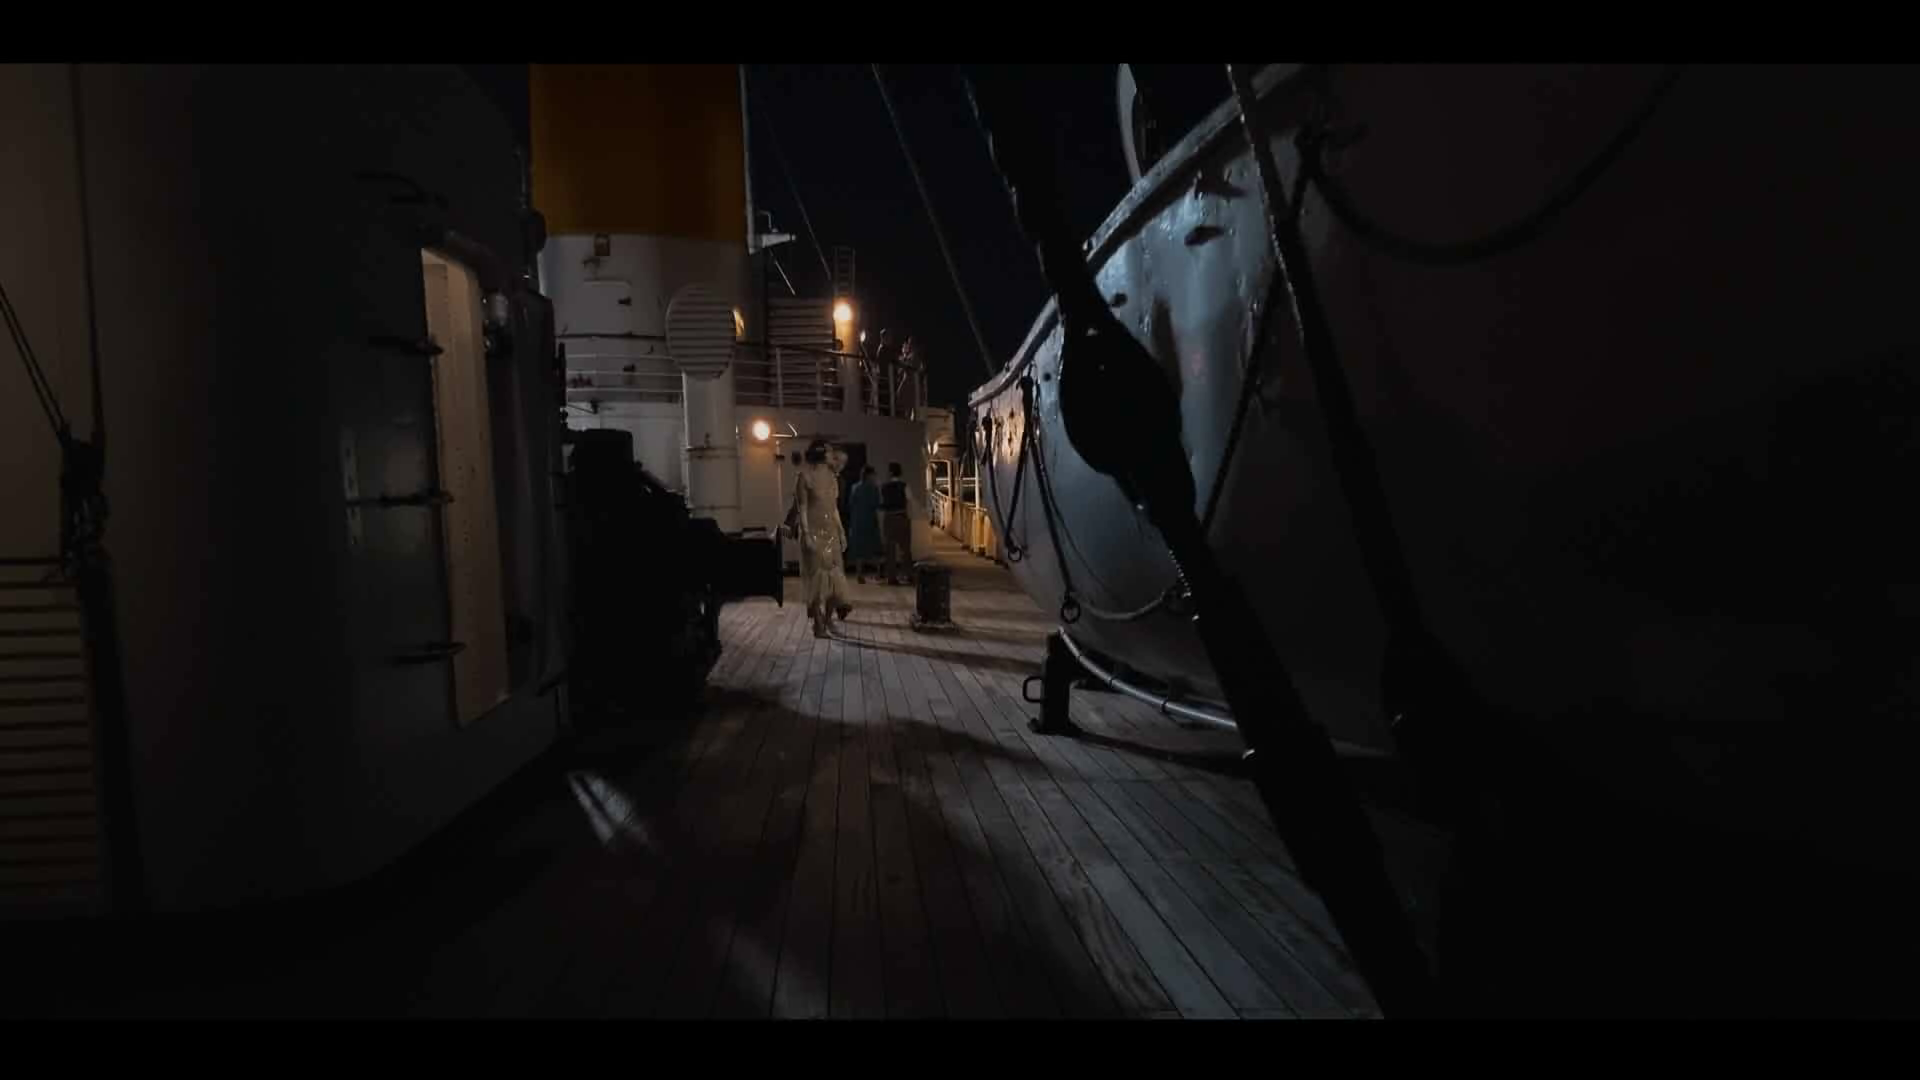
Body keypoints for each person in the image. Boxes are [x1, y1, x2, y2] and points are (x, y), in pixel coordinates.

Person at [789, 439, 851, 637]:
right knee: (815, 580)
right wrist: (806, 534)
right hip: (813, 532)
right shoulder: (804, 477)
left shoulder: (832, 479)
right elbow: (802, 509)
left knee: (835, 580)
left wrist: (841, 532)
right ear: (821, 454)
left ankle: (828, 619)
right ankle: (818, 622)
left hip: (830, 532)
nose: (833, 456)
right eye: (830, 452)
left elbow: (834, 509)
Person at [847, 464, 884, 583]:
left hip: (857, 521)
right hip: (870, 520)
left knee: (859, 550)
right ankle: (878, 573)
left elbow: (851, 504)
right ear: (869, 475)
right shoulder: (873, 488)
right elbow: (877, 504)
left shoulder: (855, 487)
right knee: (875, 548)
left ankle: (859, 574)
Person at [880, 462, 915, 585]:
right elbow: (910, 501)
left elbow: (882, 503)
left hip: (889, 518)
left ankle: (891, 577)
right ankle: (908, 575)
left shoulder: (884, 487)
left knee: (890, 549)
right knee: (905, 548)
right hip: (902, 516)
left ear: (890, 472)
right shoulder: (904, 486)